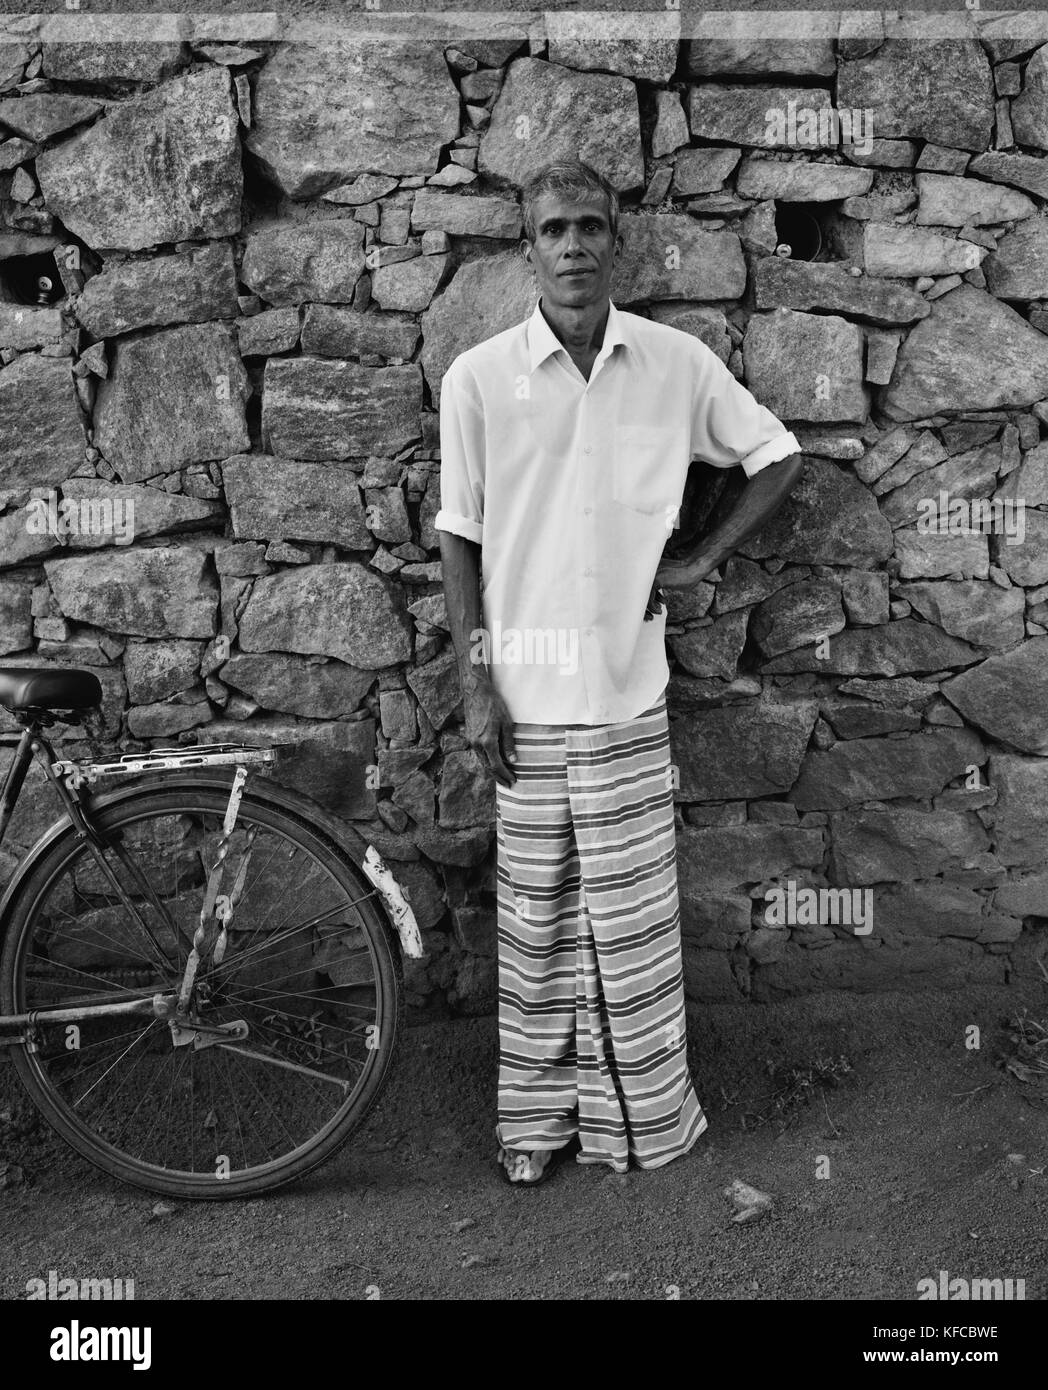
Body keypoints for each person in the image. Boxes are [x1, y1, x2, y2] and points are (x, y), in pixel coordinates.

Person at [436, 158, 804, 1184]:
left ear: (618, 244)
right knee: (542, 926)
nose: (573, 247)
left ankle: (639, 1124)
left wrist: (693, 559)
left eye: (591, 227)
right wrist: (475, 687)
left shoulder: (673, 366)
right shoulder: (478, 382)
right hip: (526, 694)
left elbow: (776, 455)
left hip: (627, 688)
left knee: (633, 928)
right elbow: (459, 539)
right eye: (553, 229)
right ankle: (535, 1129)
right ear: (526, 248)